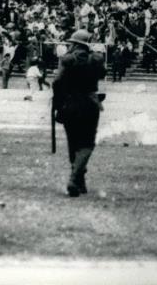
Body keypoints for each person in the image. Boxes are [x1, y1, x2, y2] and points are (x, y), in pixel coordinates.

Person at [52, 29, 106, 197]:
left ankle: (76, 179)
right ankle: (77, 179)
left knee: (73, 142)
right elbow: (102, 75)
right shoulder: (96, 59)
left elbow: (57, 82)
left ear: (75, 44)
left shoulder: (67, 60)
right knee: (87, 143)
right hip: (90, 104)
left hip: (70, 104)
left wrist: (58, 104)